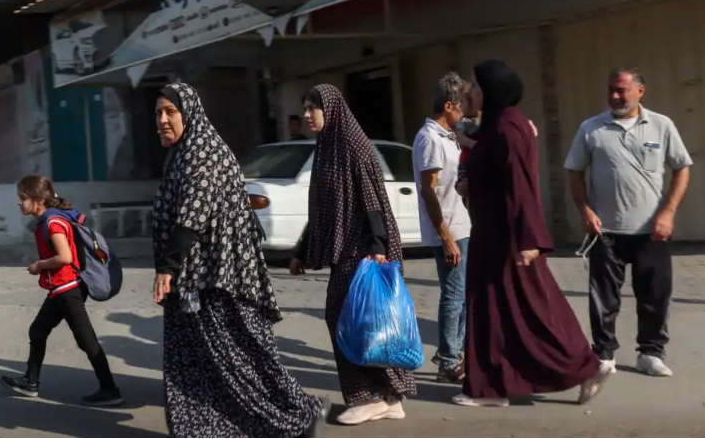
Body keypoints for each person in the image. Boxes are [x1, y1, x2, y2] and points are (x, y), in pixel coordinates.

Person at [152, 82, 324, 438]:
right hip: (201, 278)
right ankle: (204, 426)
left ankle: (294, 420)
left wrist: (167, 268)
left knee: (239, 359)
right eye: (159, 113)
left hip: (219, 280)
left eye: (171, 111)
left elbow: (193, 216)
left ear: (190, 113)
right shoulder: (184, 152)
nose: (163, 120)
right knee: (209, 361)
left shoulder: (201, 153)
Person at [454, 60, 611, 408]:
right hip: (494, 235)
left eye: (477, 87)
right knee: (499, 311)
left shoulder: (508, 127)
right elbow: (491, 165)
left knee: (529, 310)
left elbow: (521, 185)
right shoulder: (499, 124)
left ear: (493, 90)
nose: (473, 93)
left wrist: (530, 239)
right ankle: (493, 386)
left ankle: (583, 367)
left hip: (507, 238)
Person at [289, 84, 415, 426]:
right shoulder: (326, 148)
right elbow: (323, 209)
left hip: (363, 248)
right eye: (305, 108)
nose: (307, 115)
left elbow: (371, 199)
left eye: (312, 108)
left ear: (331, 109)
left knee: (354, 320)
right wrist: (302, 250)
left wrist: (377, 248)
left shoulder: (354, 146)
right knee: (360, 322)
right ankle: (388, 397)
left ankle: (372, 396)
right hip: (345, 248)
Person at [565, 67, 692, 378]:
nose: (615, 96)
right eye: (611, 90)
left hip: (652, 231)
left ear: (640, 91)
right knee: (603, 298)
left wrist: (668, 212)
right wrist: (584, 208)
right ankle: (604, 354)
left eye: (621, 90)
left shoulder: (661, 125)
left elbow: (682, 168)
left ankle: (650, 353)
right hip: (605, 231)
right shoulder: (591, 129)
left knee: (654, 295)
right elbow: (574, 170)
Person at [0, 174, 121, 406]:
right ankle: (30, 382)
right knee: (37, 331)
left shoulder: (53, 222)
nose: (19, 203)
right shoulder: (48, 219)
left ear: (37, 199)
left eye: (22, 198)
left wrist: (39, 265)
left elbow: (64, 257)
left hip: (68, 289)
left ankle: (110, 389)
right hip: (60, 289)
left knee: (86, 340)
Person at [412, 72, 471, 384]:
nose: (465, 112)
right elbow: (428, 190)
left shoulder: (448, 135)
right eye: (461, 106)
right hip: (447, 228)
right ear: (449, 105)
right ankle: (448, 361)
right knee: (453, 294)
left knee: (463, 294)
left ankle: (450, 350)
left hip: (463, 224)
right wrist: (445, 236)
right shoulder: (429, 139)